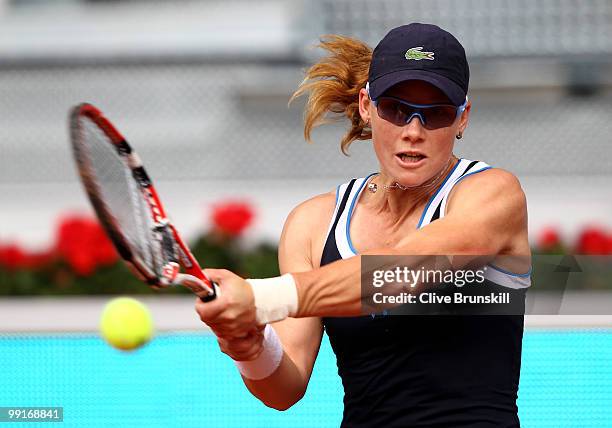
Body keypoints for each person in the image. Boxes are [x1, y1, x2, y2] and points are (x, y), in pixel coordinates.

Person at [196, 23, 531, 427]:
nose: (412, 132)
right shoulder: (312, 223)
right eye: (395, 108)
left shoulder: (494, 193)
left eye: (436, 114)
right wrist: (250, 346)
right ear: (366, 105)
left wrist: (261, 297)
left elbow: (404, 269)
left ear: (463, 119)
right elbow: (284, 390)